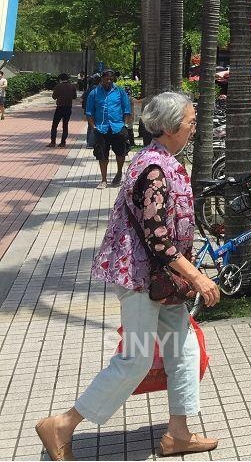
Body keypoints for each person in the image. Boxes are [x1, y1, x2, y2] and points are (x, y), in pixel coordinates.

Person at [34, 92, 220, 461]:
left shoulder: (161, 160)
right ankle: (62, 425)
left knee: (183, 349)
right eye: (190, 122)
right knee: (134, 360)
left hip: (160, 279)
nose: (194, 128)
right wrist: (197, 277)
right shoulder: (154, 169)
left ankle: (178, 434)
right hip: (141, 278)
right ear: (168, 128)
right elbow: (157, 239)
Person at [86, 69, 133, 189]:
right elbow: (89, 112)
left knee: (121, 153)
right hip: (101, 129)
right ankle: (103, 180)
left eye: (111, 79)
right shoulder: (94, 93)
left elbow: (126, 109)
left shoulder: (120, 92)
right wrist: (93, 127)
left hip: (117, 127)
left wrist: (124, 124)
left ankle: (118, 173)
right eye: (106, 78)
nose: (108, 80)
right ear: (102, 79)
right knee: (102, 155)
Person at [49, 74, 77, 148]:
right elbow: (74, 97)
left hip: (60, 107)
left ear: (60, 79)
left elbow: (54, 97)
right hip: (68, 107)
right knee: (65, 125)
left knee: (54, 125)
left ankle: (53, 142)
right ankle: (63, 142)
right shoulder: (72, 86)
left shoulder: (58, 86)